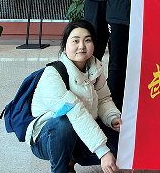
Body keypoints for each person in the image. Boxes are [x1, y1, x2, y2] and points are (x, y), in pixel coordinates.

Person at [29, 20, 122, 173]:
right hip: (46, 137)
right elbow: (75, 112)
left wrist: (112, 117)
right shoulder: (53, 74)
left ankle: (72, 156)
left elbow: (103, 99)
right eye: (75, 41)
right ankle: (62, 168)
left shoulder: (95, 69)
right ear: (65, 47)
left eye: (87, 40)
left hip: (78, 130)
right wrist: (102, 151)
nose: (82, 46)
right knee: (63, 124)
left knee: (121, 150)